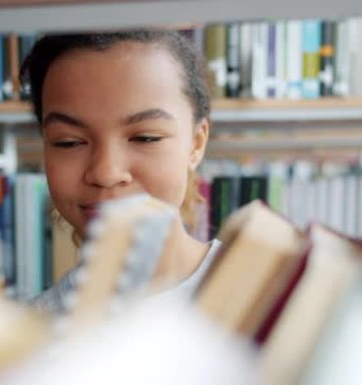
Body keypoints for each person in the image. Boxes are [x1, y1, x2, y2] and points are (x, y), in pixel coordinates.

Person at [23, 29, 221, 313]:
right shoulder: (30, 335)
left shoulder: (274, 302)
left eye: (145, 138)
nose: (106, 173)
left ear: (196, 143)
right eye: (69, 142)